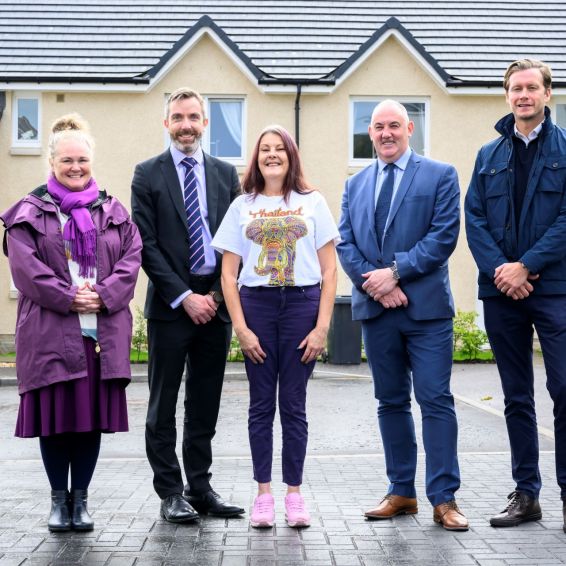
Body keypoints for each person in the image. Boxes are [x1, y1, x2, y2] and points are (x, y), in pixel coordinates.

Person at [0, 114, 142, 532]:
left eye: (82, 159)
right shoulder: (28, 211)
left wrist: (103, 294)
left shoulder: (113, 210)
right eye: (67, 160)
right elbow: (26, 270)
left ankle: (80, 501)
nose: (75, 167)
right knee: (56, 423)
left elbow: (132, 259)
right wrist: (67, 297)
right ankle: (57, 503)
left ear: (91, 160)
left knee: (88, 422)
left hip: (99, 334)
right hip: (49, 333)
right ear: (52, 162)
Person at [337, 100, 468, 531]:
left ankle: (444, 499)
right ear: (369, 133)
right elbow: (346, 244)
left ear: (410, 128)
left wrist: (394, 275)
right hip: (377, 313)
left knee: (435, 401)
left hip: (427, 313)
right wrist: (376, 285)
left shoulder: (440, 175)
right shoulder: (354, 185)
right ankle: (401, 492)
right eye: (378, 127)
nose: (387, 133)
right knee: (390, 403)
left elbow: (443, 236)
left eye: (395, 125)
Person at [211, 125, 338, 528]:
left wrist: (322, 328)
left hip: (302, 305)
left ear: (290, 155)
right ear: (256, 158)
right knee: (261, 405)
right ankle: (263, 495)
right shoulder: (241, 206)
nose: (271, 155)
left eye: (278, 149)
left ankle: (295, 495)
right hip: (258, 306)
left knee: (294, 406)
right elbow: (228, 275)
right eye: (264, 149)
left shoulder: (313, 201)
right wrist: (241, 328)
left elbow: (330, 270)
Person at [131, 87, 244, 523]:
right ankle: (170, 492)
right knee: (163, 402)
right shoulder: (147, 174)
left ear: (205, 122)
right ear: (166, 123)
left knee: (205, 401)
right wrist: (184, 296)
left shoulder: (223, 174)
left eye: (193, 117)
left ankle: (200, 487)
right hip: (169, 305)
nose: (186, 125)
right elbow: (145, 244)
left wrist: (214, 296)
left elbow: (234, 241)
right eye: (178, 117)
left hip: (215, 306)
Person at [465, 59, 566, 530]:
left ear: (547, 94)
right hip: (501, 292)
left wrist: (527, 265)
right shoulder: (488, 155)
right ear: (507, 96)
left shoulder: (565, 150)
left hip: (554, 289)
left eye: (531, 88)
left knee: (564, 391)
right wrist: (503, 272)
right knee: (517, 397)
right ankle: (527, 495)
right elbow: (475, 219)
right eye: (515, 89)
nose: (523, 95)